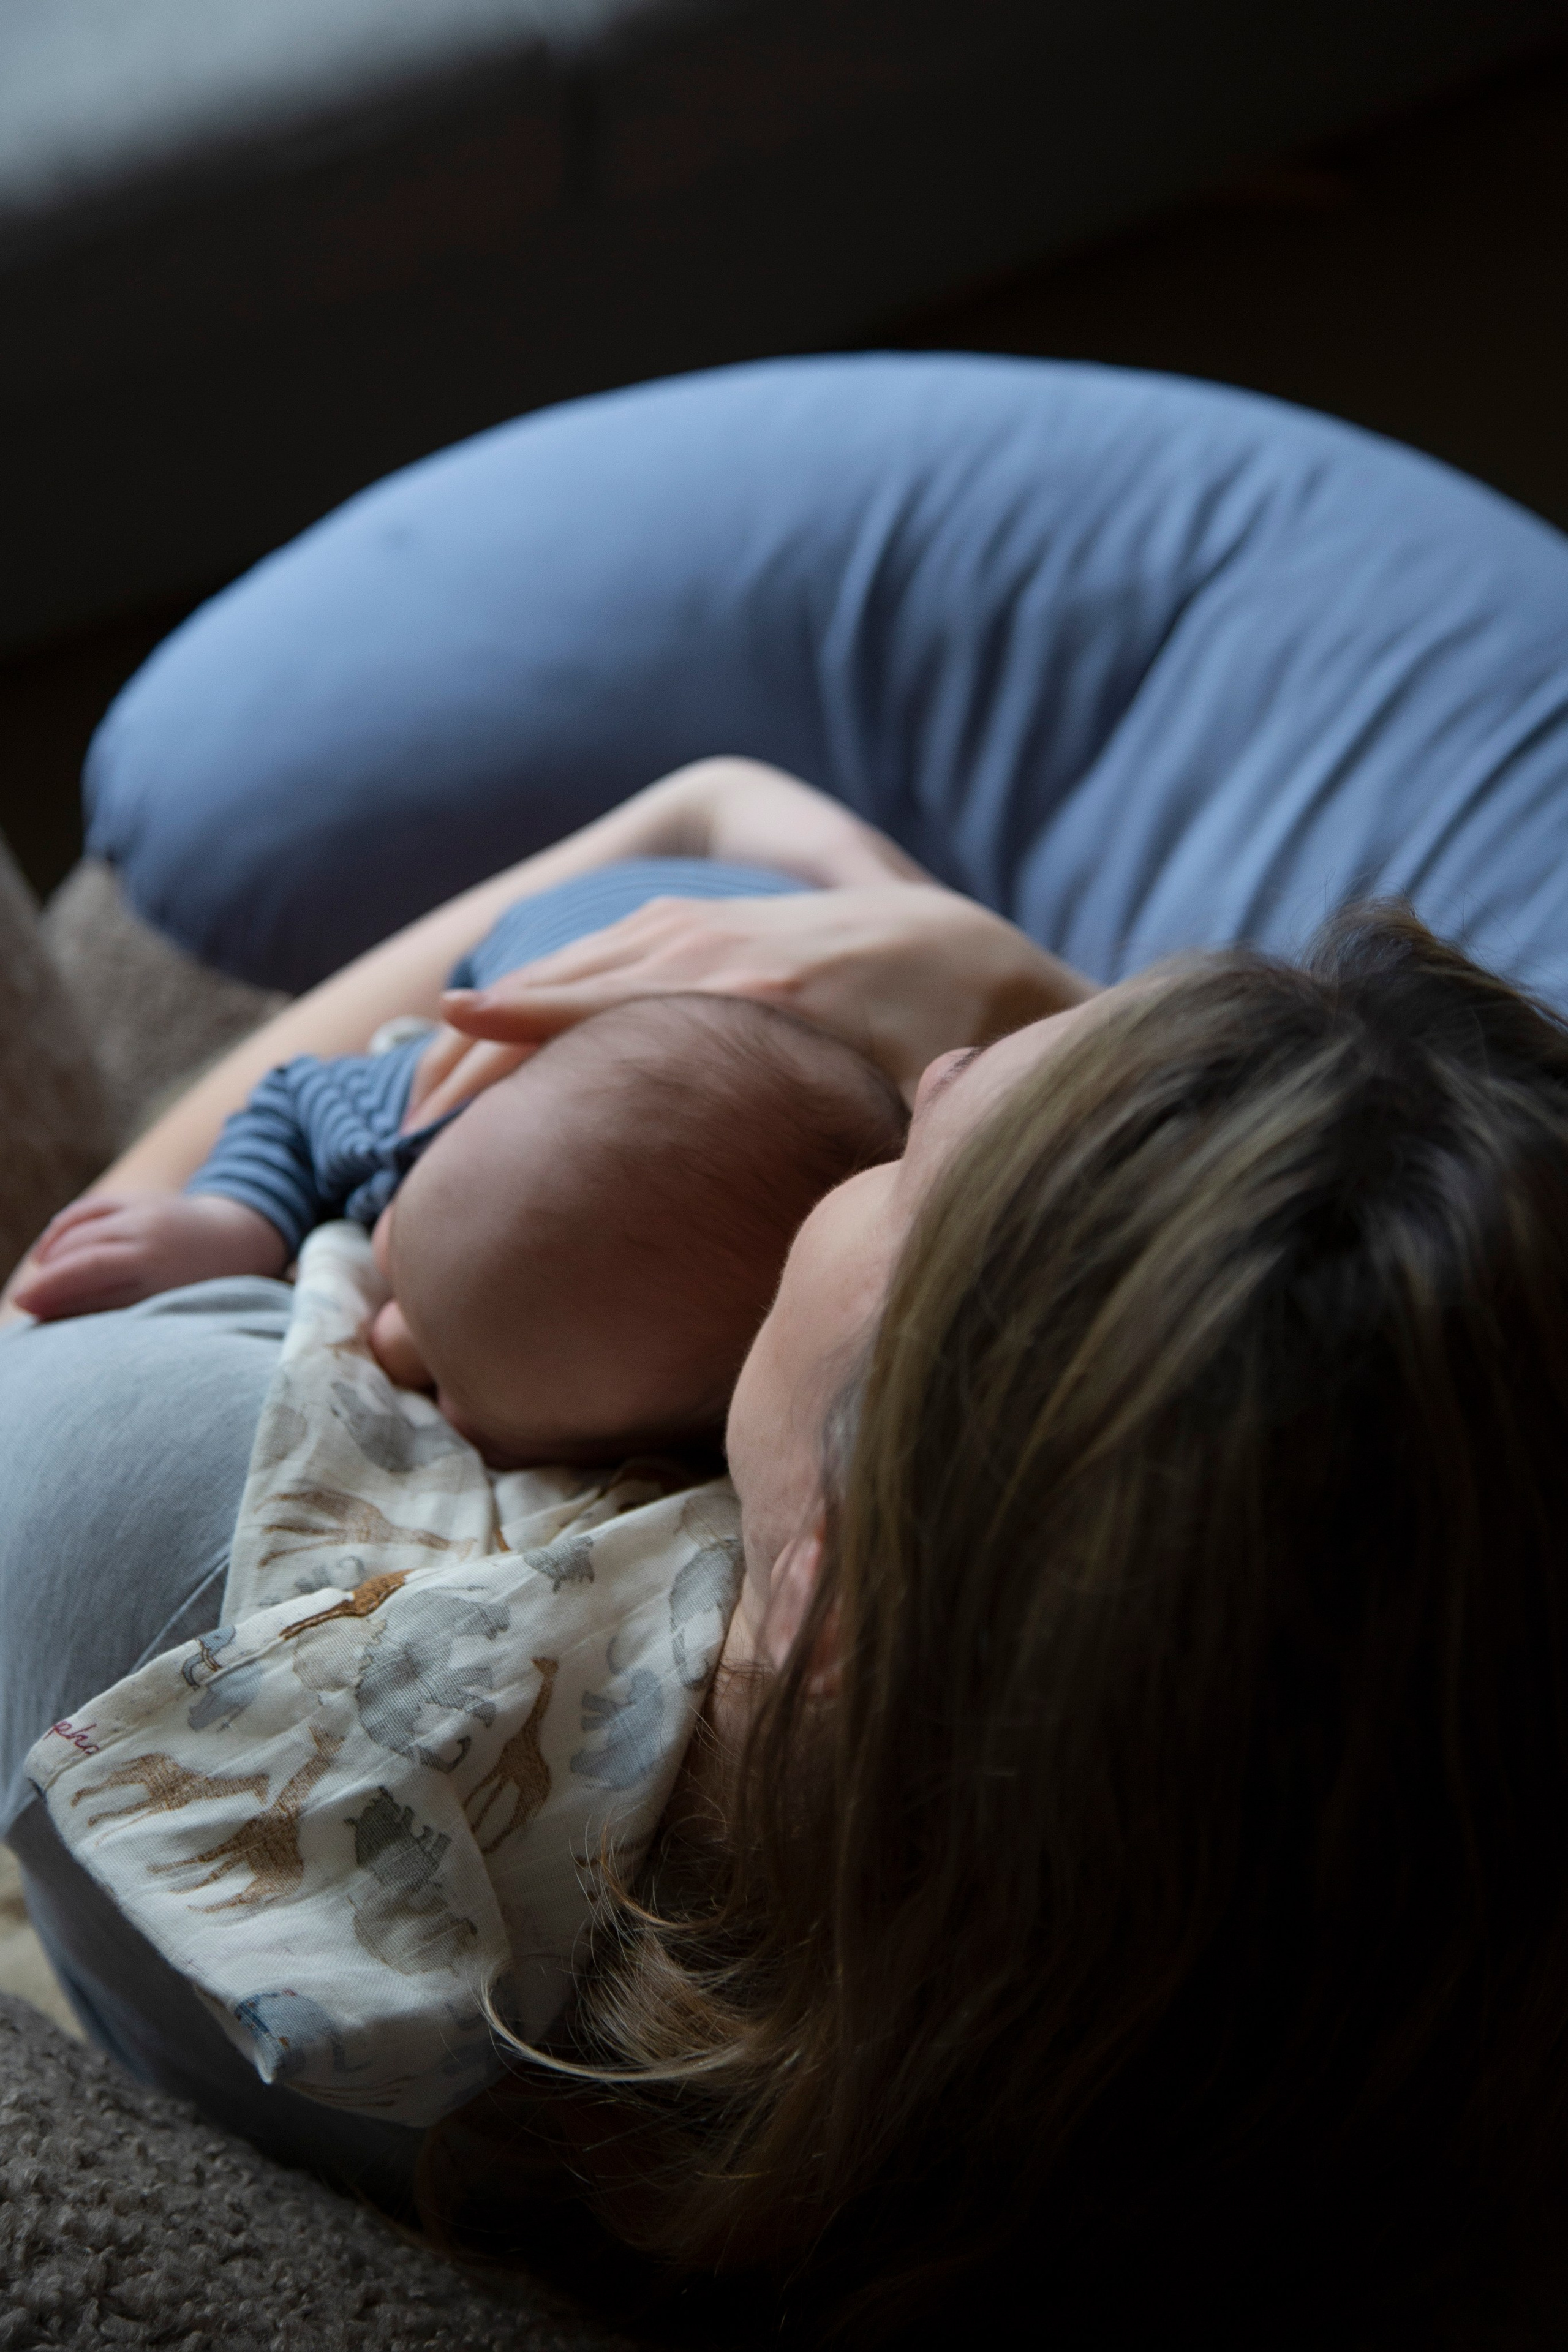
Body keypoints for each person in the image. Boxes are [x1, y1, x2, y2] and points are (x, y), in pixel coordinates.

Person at [6, 763, 1567, 2345]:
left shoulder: (168, 1536)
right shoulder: (1340, 2054)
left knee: (682, 967)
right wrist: (1033, 1022)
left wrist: (693, 821)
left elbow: (65, 1282)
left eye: (899, 1165)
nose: (933, 1064)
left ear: (823, 1587)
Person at [11, 863, 908, 1464]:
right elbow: (294, 1098)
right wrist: (235, 1219)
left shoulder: (768, 1384)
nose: (389, 1346)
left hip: (799, 1004)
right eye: (398, 1262)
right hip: (642, 915)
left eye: (449, 1389)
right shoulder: (417, 1121)